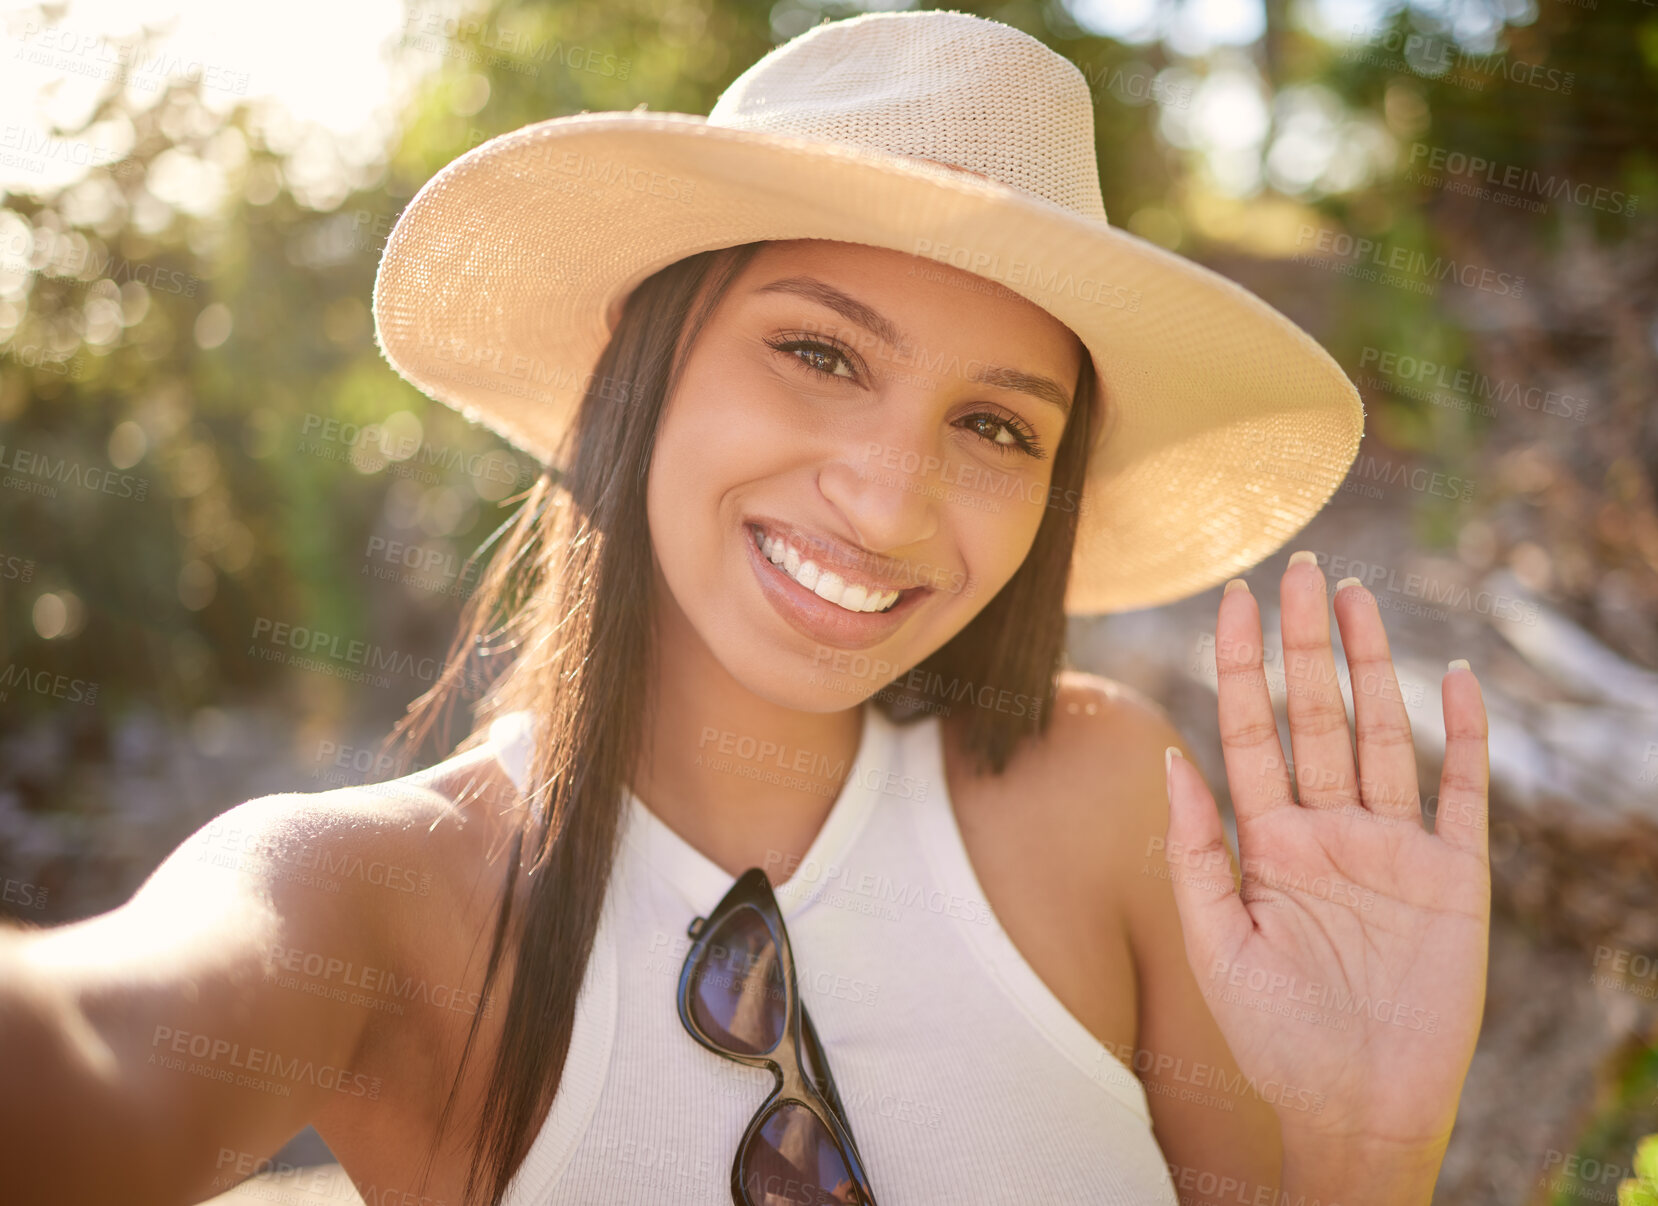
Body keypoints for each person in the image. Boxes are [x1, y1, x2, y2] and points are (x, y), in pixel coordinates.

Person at [0, 10, 1491, 1206]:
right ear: (634, 372)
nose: (889, 498)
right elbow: (98, 1054)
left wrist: (1366, 1149)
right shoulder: (377, 893)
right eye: (821, 354)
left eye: (995, 427)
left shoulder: (1103, 797)